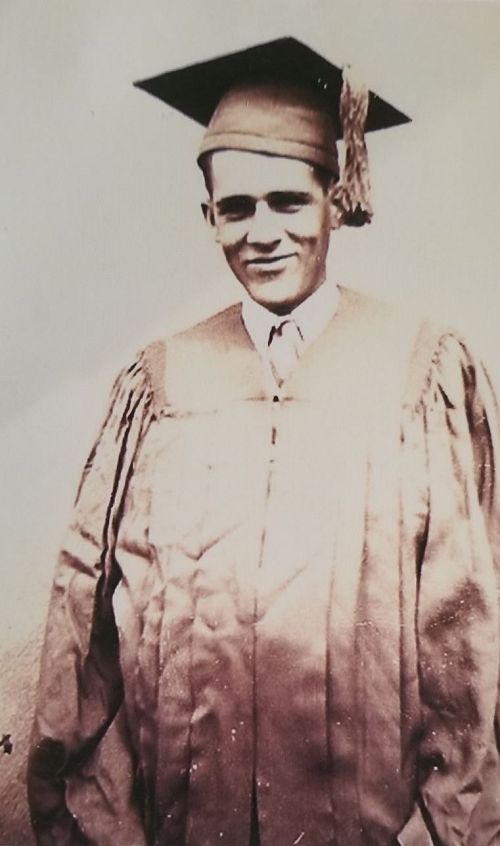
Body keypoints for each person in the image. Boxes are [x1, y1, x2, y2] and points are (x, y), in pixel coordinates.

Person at [27, 37, 500, 846]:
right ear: (208, 217)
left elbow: (468, 647)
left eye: (288, 201)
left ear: (335, 200)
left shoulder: (420, 374)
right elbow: (89, 637)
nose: (263, 232)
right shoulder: (159, 385)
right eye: (236, 208)